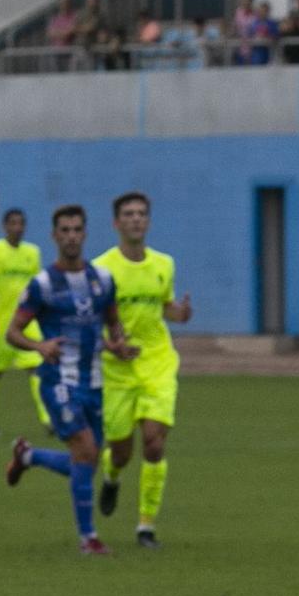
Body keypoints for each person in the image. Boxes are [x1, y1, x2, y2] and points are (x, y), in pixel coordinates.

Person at [3, 205, 133, 555]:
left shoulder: (103, 281)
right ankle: (88, 537)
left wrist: (118, 345)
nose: (71, 236)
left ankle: (28, 457)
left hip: (94, 381)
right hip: (59, 379)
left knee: (86, 461)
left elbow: (111, 322)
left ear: (85, 233)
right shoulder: (42, 284)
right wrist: (38, 345)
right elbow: (12, 333)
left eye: (77, 229)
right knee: (86, 450)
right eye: (65, 230)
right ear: (54, 236)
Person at [94, 192, 192, 548]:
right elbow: (90, 322)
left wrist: (179, 314)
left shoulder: (164, 264)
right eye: (128, 214)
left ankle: (145, 526)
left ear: (148, 221)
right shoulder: (101, 269)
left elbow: (165, 306)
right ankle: (112, 475)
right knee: (121, 450)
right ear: (116, 223)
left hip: (158, 363)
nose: (136, 219)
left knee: (153, 443)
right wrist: (110, 345)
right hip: (118, 370)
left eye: (141, 214)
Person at [0, 208, 48, 440]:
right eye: (13, 223)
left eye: (21, 223)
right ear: (5, 226)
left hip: (26, 323)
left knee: (37, 368)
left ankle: (48, 419)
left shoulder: (32, 253)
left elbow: (36, 285)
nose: (18, 227)